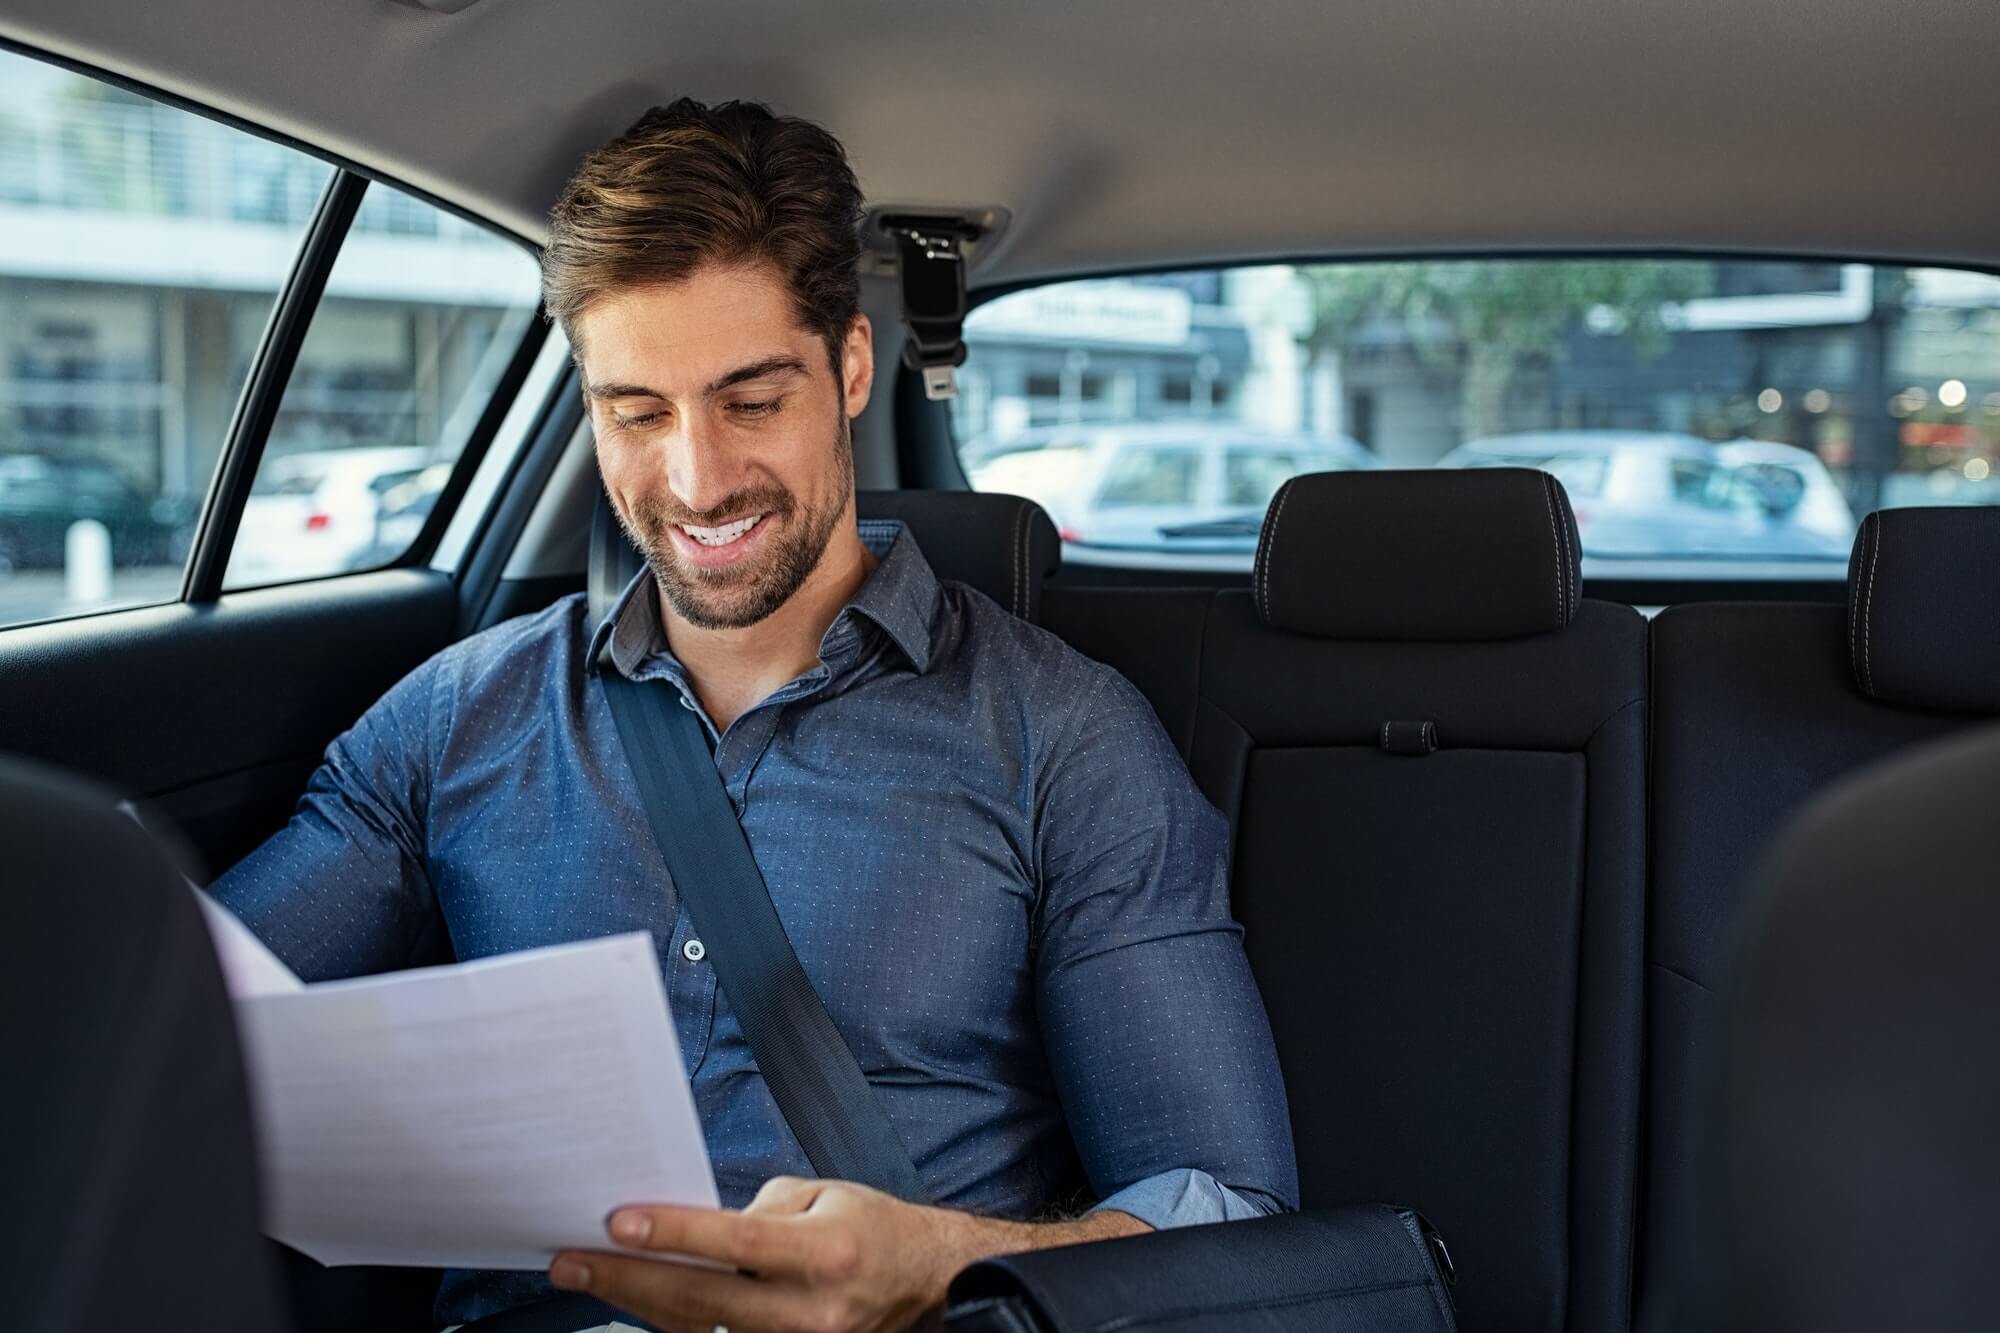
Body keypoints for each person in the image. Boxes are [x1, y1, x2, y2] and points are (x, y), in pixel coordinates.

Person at [212, 97, 1297, 1333]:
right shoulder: (455, 718)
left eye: (750, 399)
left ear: (845, 368)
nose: (695, 478)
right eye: (637, 412)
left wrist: (935, 1263)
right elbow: (172, 1023)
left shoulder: (1061, 734)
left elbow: (1231, 1212)